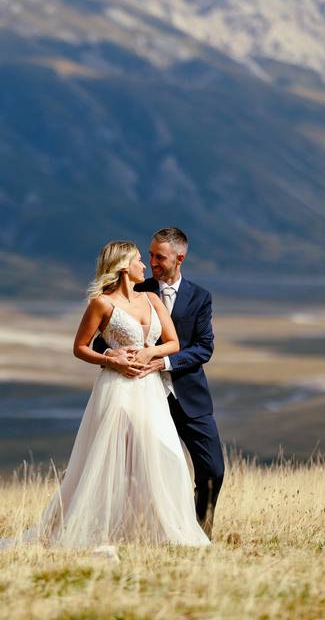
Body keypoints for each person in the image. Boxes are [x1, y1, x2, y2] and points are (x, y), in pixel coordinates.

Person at [0, 240, 210, 550]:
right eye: (138, 260)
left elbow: (173, 343)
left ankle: (167, 531)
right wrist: (112, 358)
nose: (144, 266)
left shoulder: (151, 298)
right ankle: (100, 530)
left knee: (167, 456)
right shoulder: (101, 303)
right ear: (124, 268)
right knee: (109, 461)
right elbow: (80, 347)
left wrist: (148, 354)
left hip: (149, 390)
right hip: (117, 390)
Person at [94, 227, 224, 539]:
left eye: (159, 257)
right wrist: (115, 354)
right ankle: (148, 533)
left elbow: (204, 347)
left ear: (180, 258)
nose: (152, 261)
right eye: (149, 255)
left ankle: (198, 532)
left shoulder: (200, 297)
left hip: (188, 395)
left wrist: (162, 361)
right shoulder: (137, 288)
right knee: (143, 471)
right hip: (142, 395)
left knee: (213, 470)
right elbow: (99, 339)